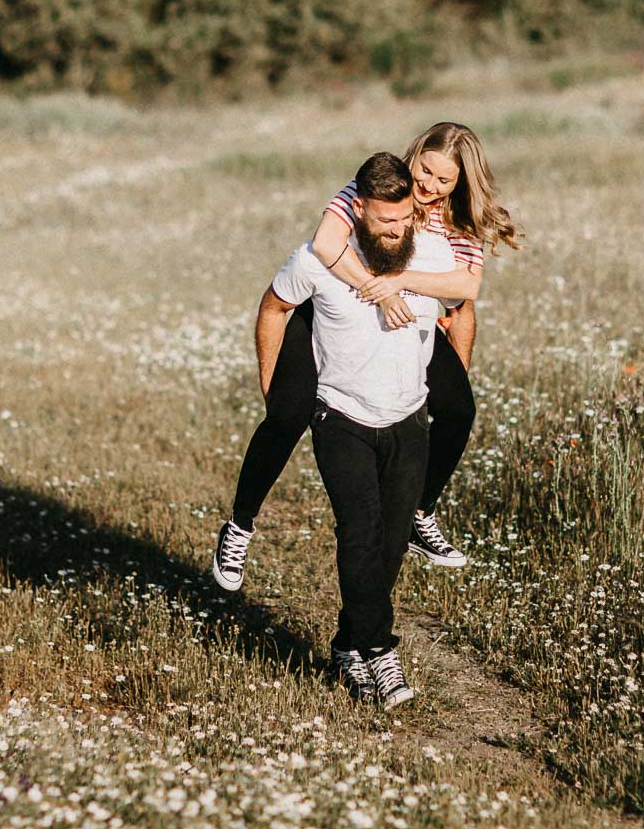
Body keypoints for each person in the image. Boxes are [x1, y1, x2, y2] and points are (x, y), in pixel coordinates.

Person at [211, 122, 521, 592]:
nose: (429, 186)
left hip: (405, 314)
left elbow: (464, 292)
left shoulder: (457, 218)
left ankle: (419, 512)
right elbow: (325, 244)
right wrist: (375, 291)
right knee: (286, 414)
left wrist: (401, 289)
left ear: (460, 183)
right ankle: (239, 526)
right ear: (413, 156)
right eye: (425, 170)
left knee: (458, 408)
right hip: (330, 308)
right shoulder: (379, 185)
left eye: (444, 180)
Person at [247, 152, 460, 706]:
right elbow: (272, 308)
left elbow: (462, 307)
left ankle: (347, 643)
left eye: (404, 219)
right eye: (384, 221)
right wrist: (276, 393)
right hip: (341, 416)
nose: (396, 230)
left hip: (411, 419)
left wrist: (454, 381)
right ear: (358, 209)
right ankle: (381, 653)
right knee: (359, 535)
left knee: (389, 548)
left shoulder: (432, 253)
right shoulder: (317, 260)